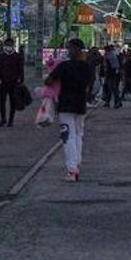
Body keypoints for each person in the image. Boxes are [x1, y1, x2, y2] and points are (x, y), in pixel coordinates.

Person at [46, 39, 94, 181]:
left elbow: (48, 81)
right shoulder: (87, 67)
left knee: (68, 136)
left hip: (66, 105)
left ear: (76, 50)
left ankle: (72, 169)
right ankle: (76, 162)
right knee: (78, 134)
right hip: (80, 104)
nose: (69, 51)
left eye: (70, 48)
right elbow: (90, 83)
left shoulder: (64, 66)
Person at [0, 40, 24, 127]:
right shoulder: (0, 56)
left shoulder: (18, 56)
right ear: (4, 46)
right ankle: (3, 119)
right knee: (2, 101)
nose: (8, 47)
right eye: (7, 45)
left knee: (13, 101)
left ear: (13, 45)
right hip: (3, 82)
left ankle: (11, 120)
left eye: (10, 45)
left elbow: (20, 69)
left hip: (14, 82)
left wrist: (21, 80)